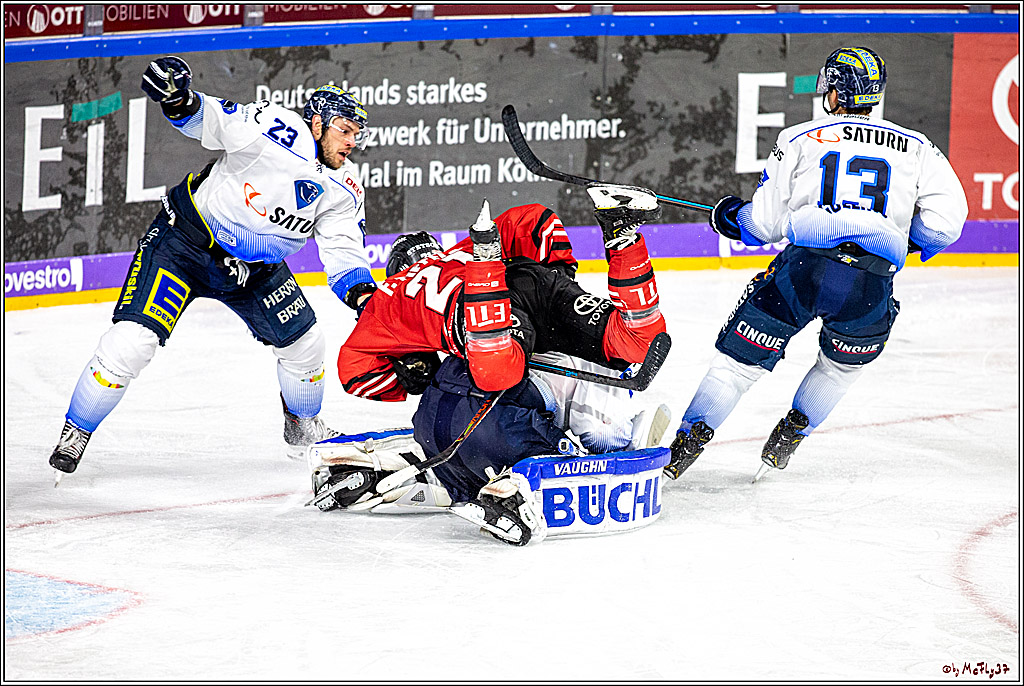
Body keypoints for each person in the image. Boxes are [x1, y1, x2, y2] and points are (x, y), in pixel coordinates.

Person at [48, 56, 379, 477]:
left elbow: (344, 251)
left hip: (254, 271)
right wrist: (179, 100)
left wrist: (364, 296)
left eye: (357, 135)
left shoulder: (345, 186)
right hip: (184, 245)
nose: (351, 142)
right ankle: (76, 430)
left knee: (306, 344)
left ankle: (302, 426)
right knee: (132, 341)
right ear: (317, 123)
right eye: (344, 131)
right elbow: (211, 122)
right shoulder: (276, 128)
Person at [663, 46, 968, 480]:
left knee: (737, 367)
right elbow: (945, 227)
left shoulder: (801, 136)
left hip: (804, 272)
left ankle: (685, 446)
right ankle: (793, 432)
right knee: (840, 368)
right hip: (871, 284)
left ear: (837, 90)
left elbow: (765, 225)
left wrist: (730, 217)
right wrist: (898, 241)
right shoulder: (918, 147)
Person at [320, 186, 671, 543]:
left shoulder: (388, 299)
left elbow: (353, 372)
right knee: (633, 344)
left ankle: (488, 276)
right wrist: (561, 277)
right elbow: (537, 219)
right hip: (526, 286)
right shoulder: (456, 252)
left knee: (498, 373)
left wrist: (409, 378)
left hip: (479, 334)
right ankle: (622, 239)